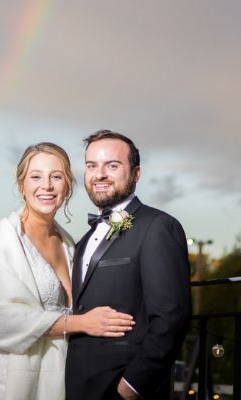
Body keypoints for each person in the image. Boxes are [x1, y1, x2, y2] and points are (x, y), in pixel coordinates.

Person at [0, 143, 136, 400]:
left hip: (61, 377)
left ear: (68, 187)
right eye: (36, 176)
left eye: (56, 177)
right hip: (15, 382)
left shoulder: (68, 242)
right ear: (21, 185)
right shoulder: (6, 237)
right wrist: (82, 323)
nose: (47, 186)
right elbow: (2, 320)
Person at [66, 130, 192, 400]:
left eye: (112, 165)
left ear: (136, 173)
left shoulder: (158, 226)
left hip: (120, 388)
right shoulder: (83, 241)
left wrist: (130, 388)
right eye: (92, 166)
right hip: (77, 385)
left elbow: (171, 318)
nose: (99, 174)